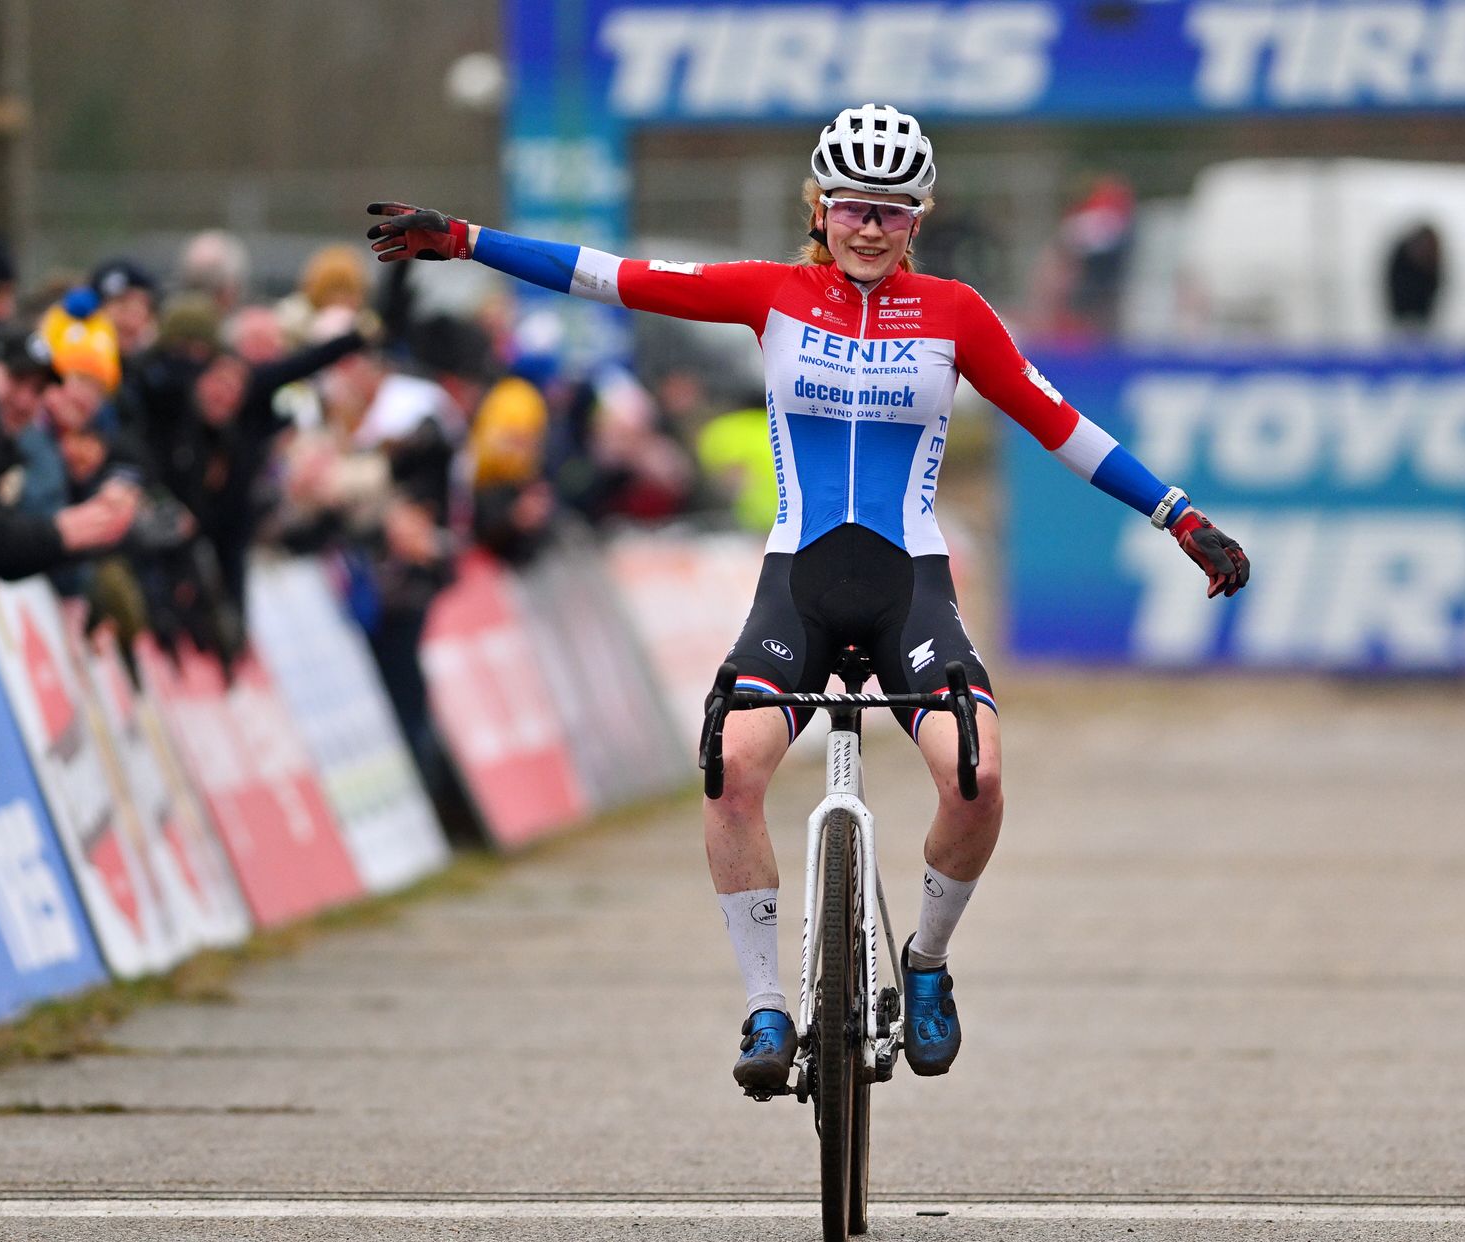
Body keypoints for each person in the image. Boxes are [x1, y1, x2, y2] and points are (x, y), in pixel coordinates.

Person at [366, 103, 1249, 1091]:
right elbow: (612, 275)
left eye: (892, 210)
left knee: (979, 776)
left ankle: (924, 963)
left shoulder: (956, 312)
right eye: (852, 207)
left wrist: (1178, 515)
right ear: (819, 209)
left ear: (919, 218)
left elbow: (1062, 426)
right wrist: (467, 240)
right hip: (799, 579)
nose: (870, 227)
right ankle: (763, 1007)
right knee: (730, 764)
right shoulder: (771, 294)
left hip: (909, 581)